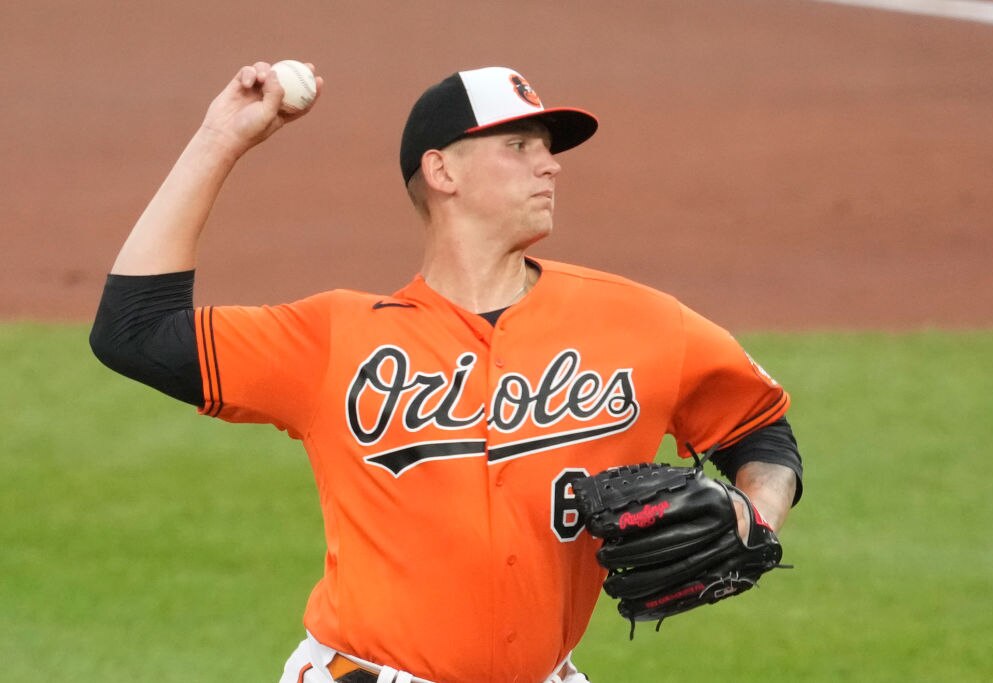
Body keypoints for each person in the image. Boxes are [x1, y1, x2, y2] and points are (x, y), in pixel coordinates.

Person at [90, 62, 803, 683]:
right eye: (518, 146)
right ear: (442, 171)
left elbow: (759, 427)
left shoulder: (640, 322)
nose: (550, 165)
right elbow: (134, 332)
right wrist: (221, 138)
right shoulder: (335, 338)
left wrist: (757, 514)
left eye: (548, 149)